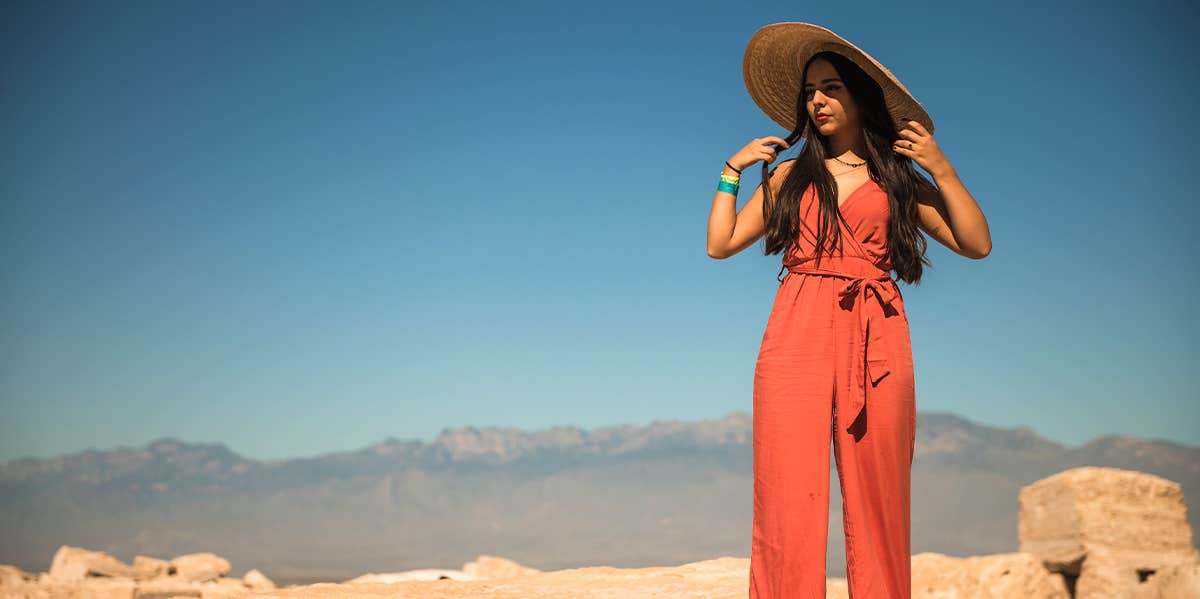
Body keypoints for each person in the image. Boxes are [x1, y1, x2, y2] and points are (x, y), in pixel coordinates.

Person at [705, 23, 992, 599]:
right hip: (796, 329)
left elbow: (975, 243)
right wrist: (731, 171)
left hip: (877, 333)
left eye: (831, 87)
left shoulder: (898, 183)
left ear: (859, 97)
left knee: (879, 490)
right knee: (787, 490)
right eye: (810, 90)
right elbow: (722, 242)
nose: (816, 100)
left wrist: (941, 168)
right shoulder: (789, 175)